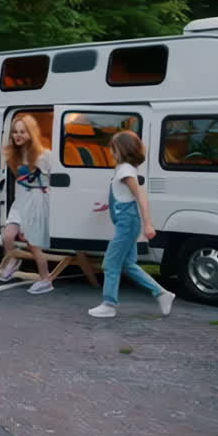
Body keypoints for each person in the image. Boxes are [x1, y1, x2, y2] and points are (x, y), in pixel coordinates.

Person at [87, 131, 176, 318]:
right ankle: (162, 293)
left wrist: (148, 224)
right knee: (127, 264)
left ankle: (109, 304)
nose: (111, 152)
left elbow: (140, 196)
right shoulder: (123, 169)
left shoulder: (126, 170)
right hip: (126, 222)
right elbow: (122, 195)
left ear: (121, 149)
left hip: (127, 224)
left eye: (113, 148)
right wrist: (108, 205)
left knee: (110, 263)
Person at [0, 114, 56, 294]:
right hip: (21, 199)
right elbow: (20, 182)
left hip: (37, 200)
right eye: (15, 132)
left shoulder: (45, 155)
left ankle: (45, 279)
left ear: (31, 133)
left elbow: (53, 181)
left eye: (22, 131)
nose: (18, 135)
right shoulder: (15, 155)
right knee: (8, 236)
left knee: (32, 242)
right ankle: (13, 261)